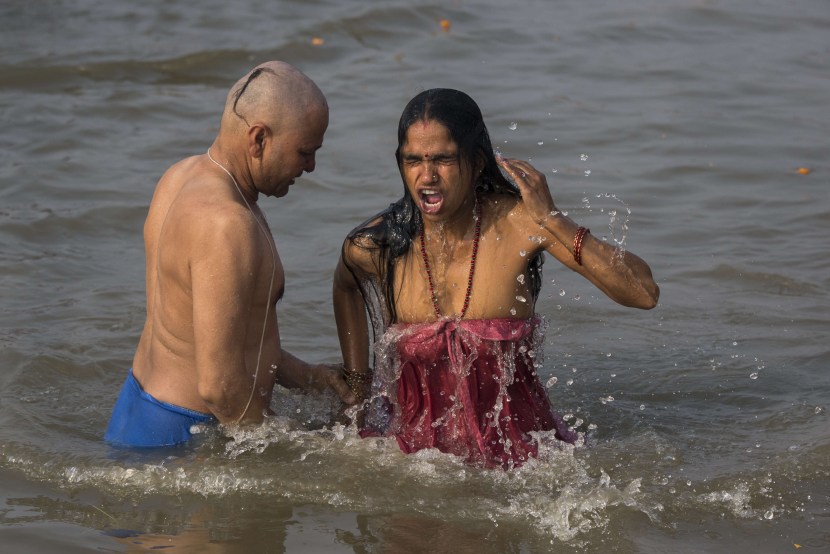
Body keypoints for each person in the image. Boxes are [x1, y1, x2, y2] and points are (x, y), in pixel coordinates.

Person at [333, 88, 659, 469]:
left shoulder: (520, 224)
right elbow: (346, 284)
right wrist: (357, 386)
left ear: (476, 161)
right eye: (413, 161)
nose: (427, 177)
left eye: (443, 159)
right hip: (414, 462)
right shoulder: (382, 245)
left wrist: (552, 219)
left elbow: (643, 293)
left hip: (523, 462)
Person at [105, 61, 356, 448]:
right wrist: (298, 449)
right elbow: (220, 387)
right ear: (258, 139)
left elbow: (200, 335)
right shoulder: (226, 224)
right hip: (183, 436)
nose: (311, 166)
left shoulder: (180, 176)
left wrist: (307, 376)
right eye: (304, 152)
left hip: (139, 410)